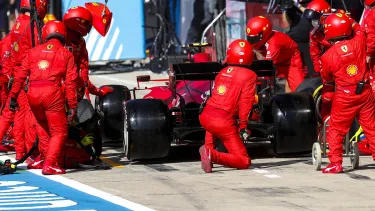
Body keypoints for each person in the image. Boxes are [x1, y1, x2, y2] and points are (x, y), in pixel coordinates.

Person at [9, 20, 78, 175]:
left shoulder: (33, 52)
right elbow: (71, 82)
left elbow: (20, 76)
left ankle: (42, 158)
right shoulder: (66, 54)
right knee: (59, 131)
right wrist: (72, 105)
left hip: (32, 93)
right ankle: (50, 163)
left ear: (45, 34)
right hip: (51, 93)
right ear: (63, 35)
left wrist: (13, 97)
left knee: (42, 126)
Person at [320, 13, 375, 173]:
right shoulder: (359, 41)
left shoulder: (327, 56)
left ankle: (336, 163)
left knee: (336, 129)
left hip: (345, 96)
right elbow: (359, 29)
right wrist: (349, 20)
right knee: (371, 127)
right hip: (365, 92)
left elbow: (327, 79)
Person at [0, 0, 47, 160]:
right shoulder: (31, 27)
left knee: (14, 114)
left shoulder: (18, 23)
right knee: (29, 115)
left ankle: (21, 152)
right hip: (27, 75)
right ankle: (30, 152)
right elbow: (38, 51)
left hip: (16, 73)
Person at [199, 39, 254, 173]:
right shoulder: (250, 75)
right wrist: (243, 126)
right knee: (244, 161)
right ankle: (212, 155)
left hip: (206, 116)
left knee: (213, 122)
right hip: (223, 121)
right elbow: (246, 102)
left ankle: (208, 149)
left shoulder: (222, 72)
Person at [62, 6, 112, 101]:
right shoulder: (60, 38)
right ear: (79, 23)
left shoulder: (81, 42)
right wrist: (97, 91)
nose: (89, 29)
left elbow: (83, 69)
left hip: (71, 86)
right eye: (87, 25)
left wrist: (91, 89)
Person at [246, 16, 305, 92]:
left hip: (291, 63)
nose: (252, 42)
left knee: (299, 91)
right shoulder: (260, 40)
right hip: (277, 61)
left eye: (254, 39)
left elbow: (266, 66)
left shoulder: (274, 43)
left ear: (264, 34)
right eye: (250, 39)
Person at [281, 0, 314, 76]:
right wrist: (284, 9)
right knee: (293, 73)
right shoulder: (292, 5)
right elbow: (286, 24)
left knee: (312, 71)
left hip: (310, 42)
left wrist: (298, 6)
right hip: (295, 42)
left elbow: (311, 15)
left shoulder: (313, 3)